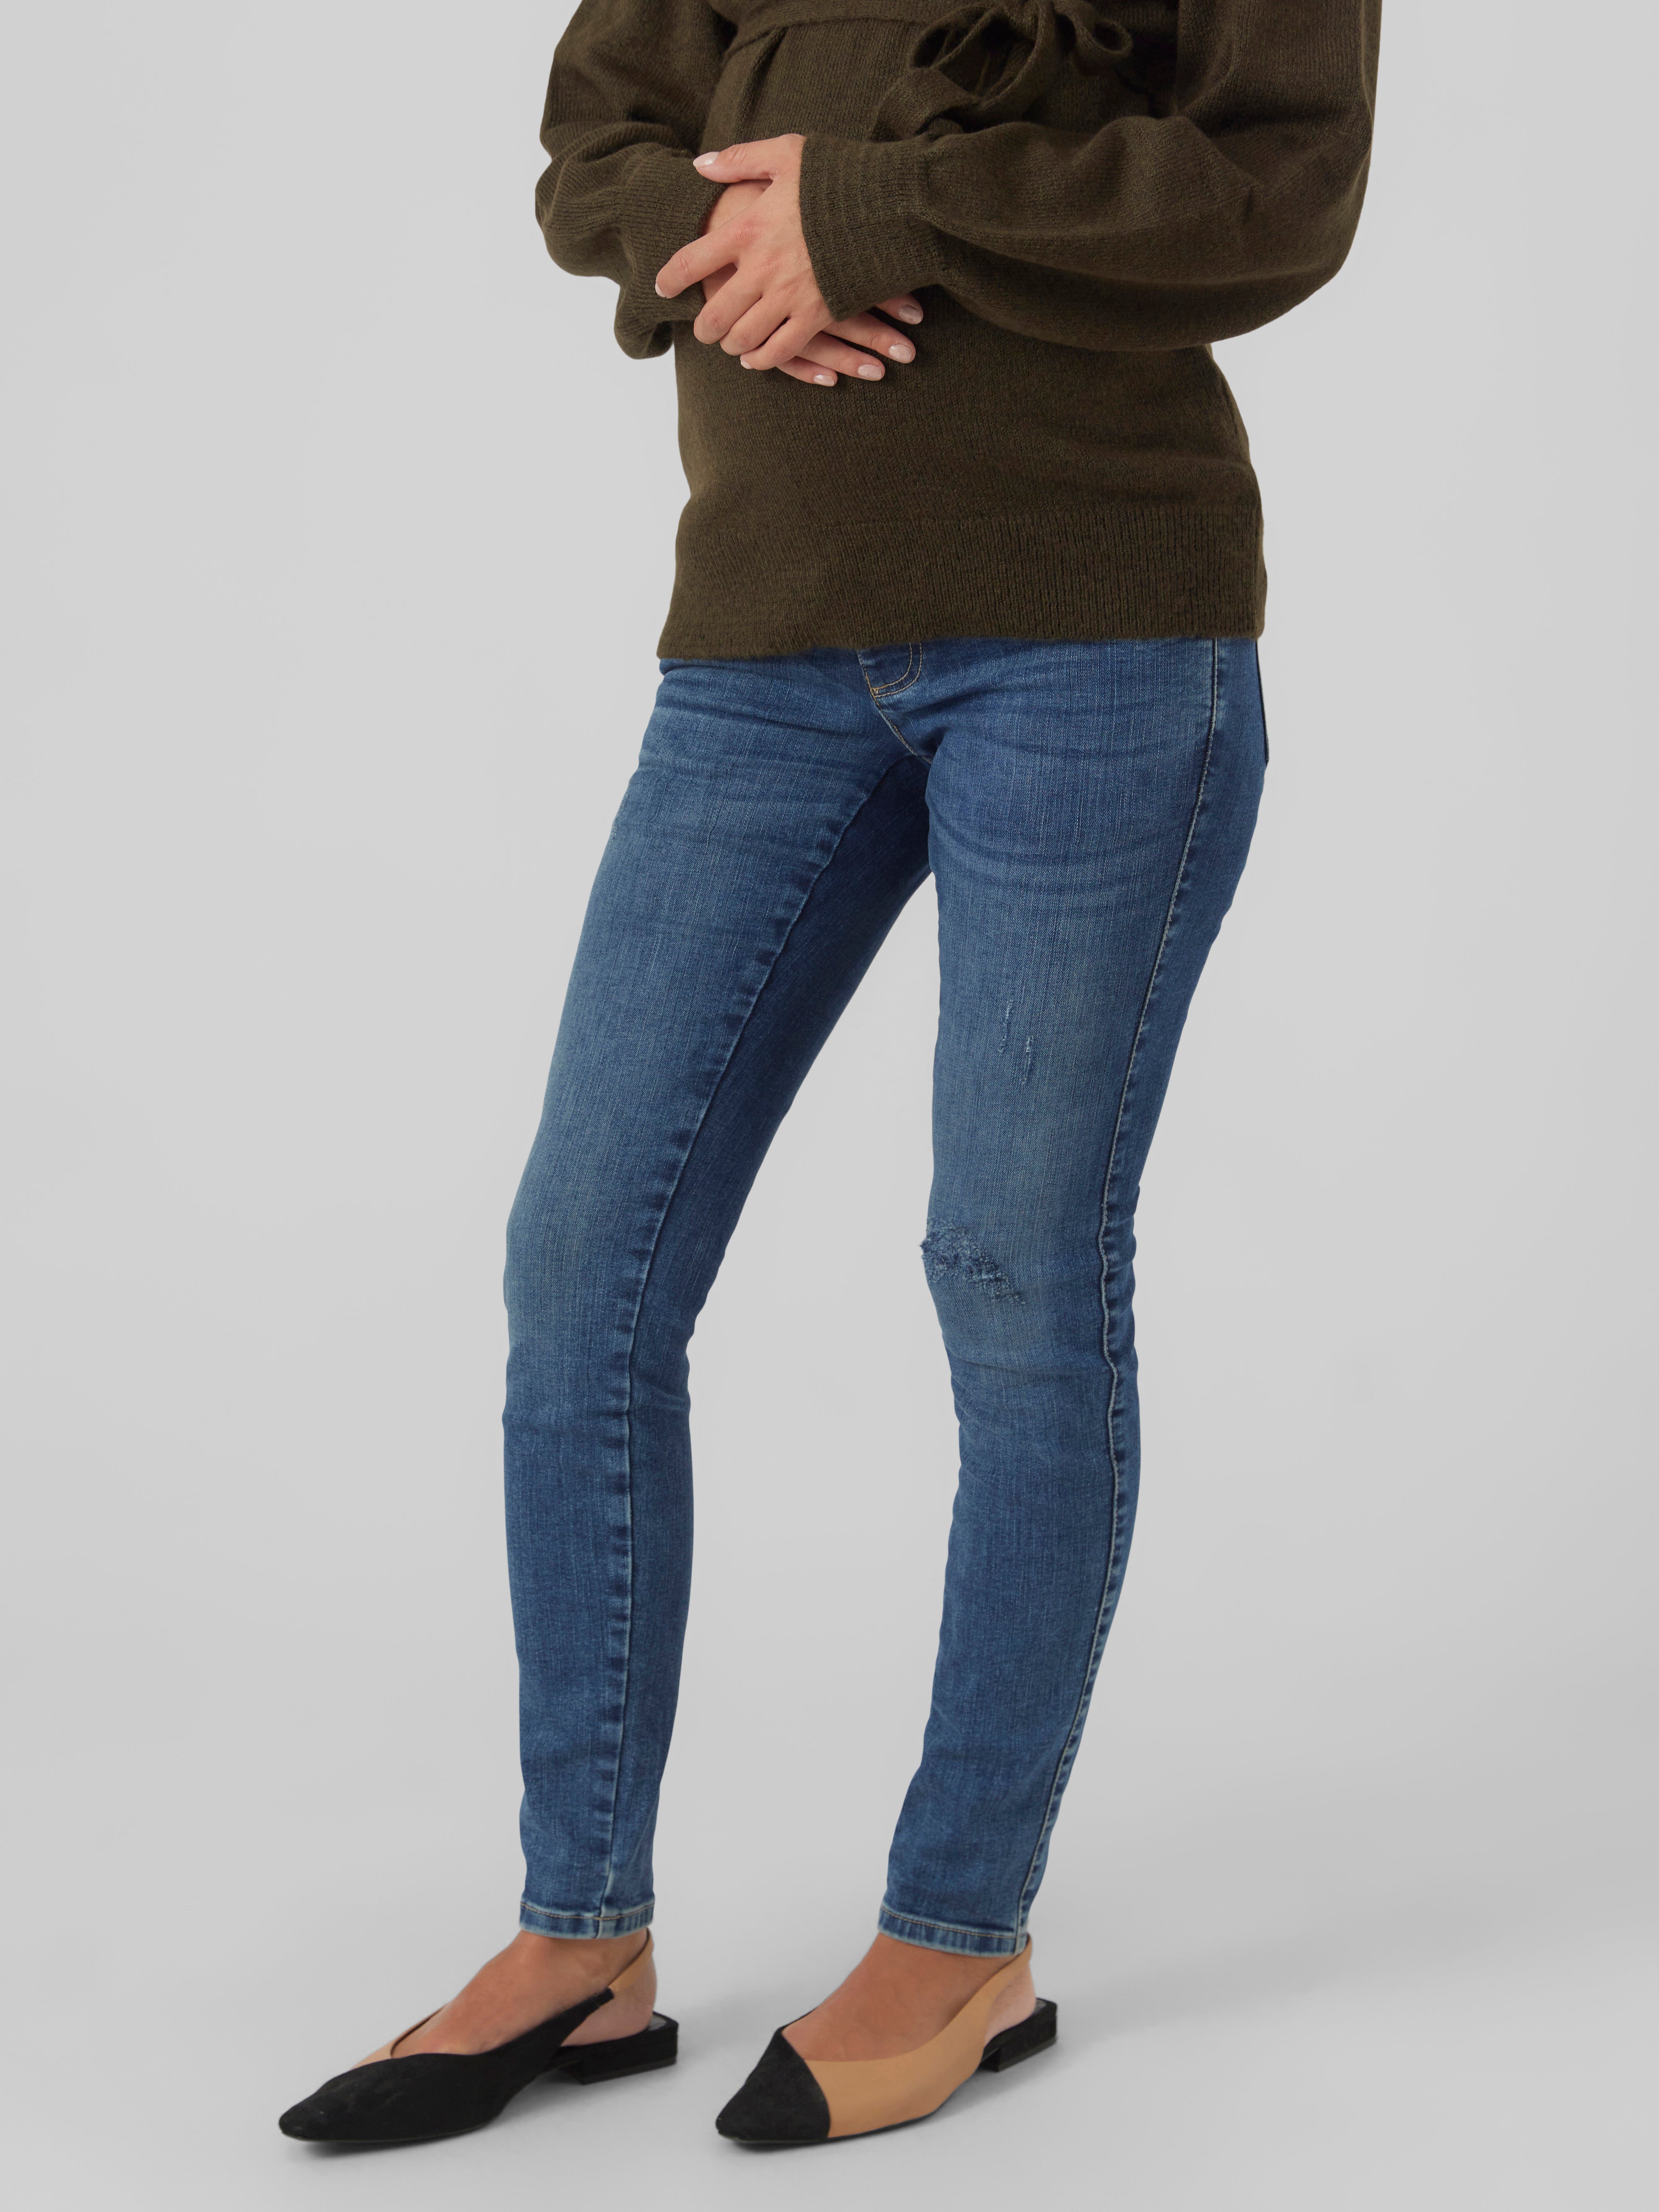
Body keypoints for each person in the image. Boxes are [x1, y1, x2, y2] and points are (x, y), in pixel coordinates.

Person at [278, 0, 1379, 2152]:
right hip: (764, 647)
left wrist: (873, 211)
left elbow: (1275, 185)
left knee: (1014, 1272)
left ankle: (961, 1933)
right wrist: (729, 244)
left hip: (1098, 638)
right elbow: (602, 134)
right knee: (582, 1263)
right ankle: (583, 1930)